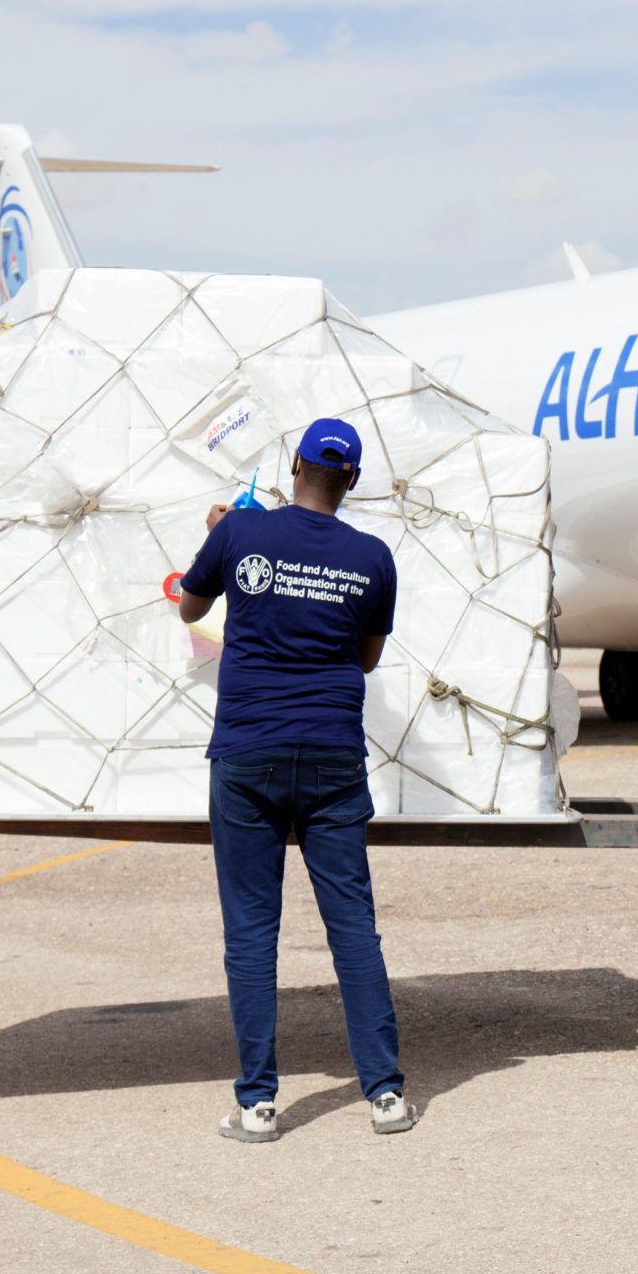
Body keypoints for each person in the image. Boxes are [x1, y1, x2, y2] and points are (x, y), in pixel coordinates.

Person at [177, 417, 417, 1143]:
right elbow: (368, 658)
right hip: (333, 757)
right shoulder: (373, 556)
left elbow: (190, 606)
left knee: (252, 932)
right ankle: (386, 1095)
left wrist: (222, 535)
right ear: (351, 480)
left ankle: (257, 1103)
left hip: (248, 753)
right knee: (353, 929)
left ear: (294, 464)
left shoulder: (240, 533)